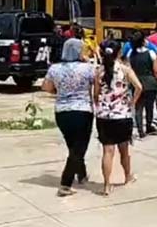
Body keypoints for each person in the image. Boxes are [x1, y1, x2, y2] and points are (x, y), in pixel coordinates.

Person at [42, 38, 95, 197]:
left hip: (62, 111)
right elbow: (97, 86)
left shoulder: (55, 68)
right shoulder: (87, 68)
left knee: (73, 145)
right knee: (79, 147)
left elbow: (46, 87)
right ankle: (65, 183)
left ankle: (82, 173)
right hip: (82, 110)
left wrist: (62, 93)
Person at [94, 40, 142, 196]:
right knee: (124, 150)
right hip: (122, 114)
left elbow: (95, 94)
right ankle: (127, 176)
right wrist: (132, 102)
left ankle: (106, 185)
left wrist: (100, 104)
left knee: (107, 151)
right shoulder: (125, 70)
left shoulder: (99, 71)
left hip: (104, 115)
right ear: (119, 53)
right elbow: (139, 87)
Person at [129, 31, 157, 138]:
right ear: (143, 41)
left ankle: (140, 130)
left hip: (136, 82)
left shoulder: (131, 53)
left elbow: (129, 69)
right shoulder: (150, 53)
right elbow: (156, 71)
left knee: (138, 107)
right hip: (150, 83)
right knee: (150, 106)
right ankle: (149, 126)